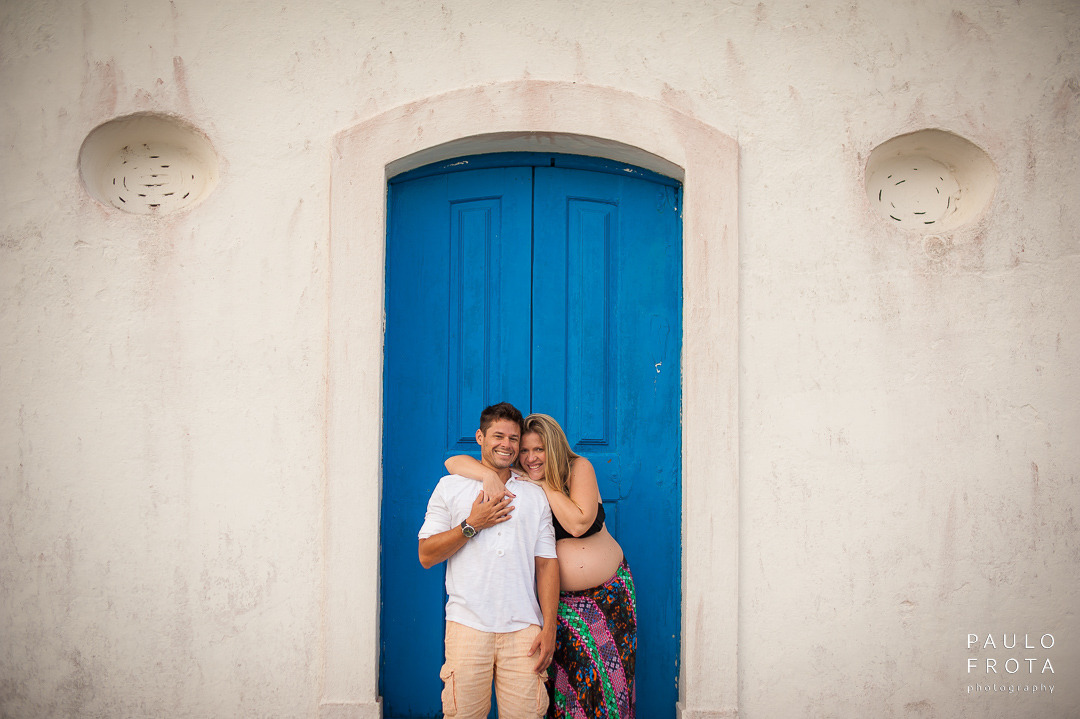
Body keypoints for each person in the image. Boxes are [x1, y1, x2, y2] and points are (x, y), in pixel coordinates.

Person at [445, 413, 636, 719]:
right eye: (525, 450)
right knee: (565, 689)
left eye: (540, 450)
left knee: (606, 688)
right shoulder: (519, 478)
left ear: (554, 448)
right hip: (556, 605)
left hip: (606, 598)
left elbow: (577, 523)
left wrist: (544, 484)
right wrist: (488, 476)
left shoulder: (577, 469)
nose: (531, 457)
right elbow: (453, 463)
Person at [418, 402, 560, 719]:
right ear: (480, 437)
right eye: (498, 436)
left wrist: (549, 627)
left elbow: (547, 564)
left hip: (525, 632)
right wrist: (473, 525)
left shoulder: (533, 493)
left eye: (513, 439)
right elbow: (426, 555)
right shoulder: (450, 486)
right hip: (467, 625)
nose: (506, 445)